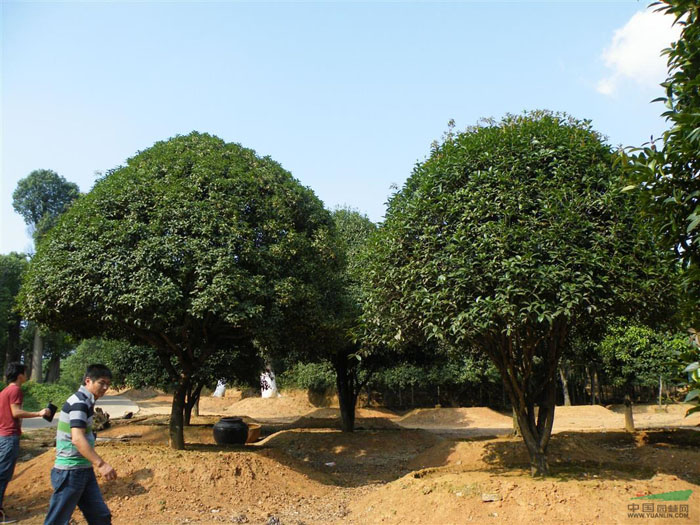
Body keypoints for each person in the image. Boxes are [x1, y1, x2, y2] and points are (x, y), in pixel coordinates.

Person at [44, 364, 117, 525]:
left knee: (100, 517)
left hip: (82, 469)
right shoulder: (79, 403)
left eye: (108, 384)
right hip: (70, 472)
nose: (105, 388)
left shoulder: (86, 401)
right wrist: (101, 464)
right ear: (88, 381)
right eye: (101, 383)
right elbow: (77, 439)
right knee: (57, 521)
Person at [0, 362, 50, 524]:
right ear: (20, 375)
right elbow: (16, 412)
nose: (27, 375)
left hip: (3, 436)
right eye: (25, 372)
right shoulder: (15, 390)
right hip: (9, 437)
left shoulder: (5, 391)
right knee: (3, 475)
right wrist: (39, 413)